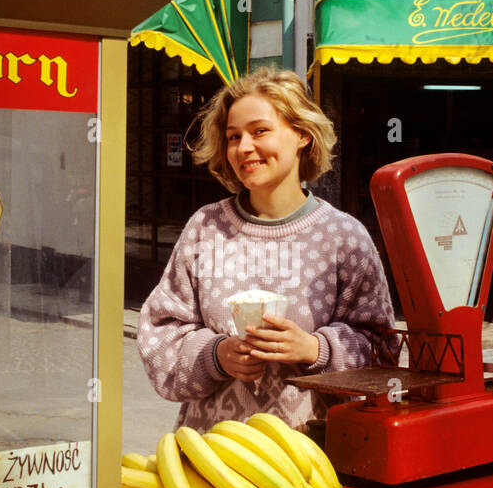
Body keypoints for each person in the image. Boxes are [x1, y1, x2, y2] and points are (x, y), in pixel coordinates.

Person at [138, 68, 397, 431]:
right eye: (233, 137)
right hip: (210, 461)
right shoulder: (205, 228)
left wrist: (315, 349)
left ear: (302, 135)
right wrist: (217, 355)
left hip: (310, 464)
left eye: (260, 131)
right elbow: (159, 337)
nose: (243, 148)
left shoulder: (345, 238)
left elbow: (384, 355)